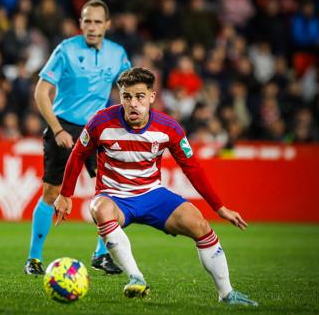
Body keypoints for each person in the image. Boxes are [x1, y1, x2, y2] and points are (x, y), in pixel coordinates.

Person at [54, 67, 258, 306]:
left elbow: (192, 167)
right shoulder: (101, 121)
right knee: (99, 208)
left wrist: (219, 207)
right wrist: (65, 194)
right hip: (114, 196)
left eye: (140, 96)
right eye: (127, 96)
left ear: (152, 96)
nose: (133, 103)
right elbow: (77, 155)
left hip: (153, 195)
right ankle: (136, 277)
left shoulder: (168, 127)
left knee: (201, 225)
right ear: (120, 97)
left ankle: (227, 294)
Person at [24, 0, 131, 275]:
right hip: (65, 127)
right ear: (80, 24)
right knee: (52, 192)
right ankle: (33, 259)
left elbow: (128, 88)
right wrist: (57, 129)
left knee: (113, 191)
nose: (92, 27)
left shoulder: (117, 53)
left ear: (107, 25)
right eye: (87, 21)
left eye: (97, 21)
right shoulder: (66, 50)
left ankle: (101, 255)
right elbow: (41, 92)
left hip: (98, 129)